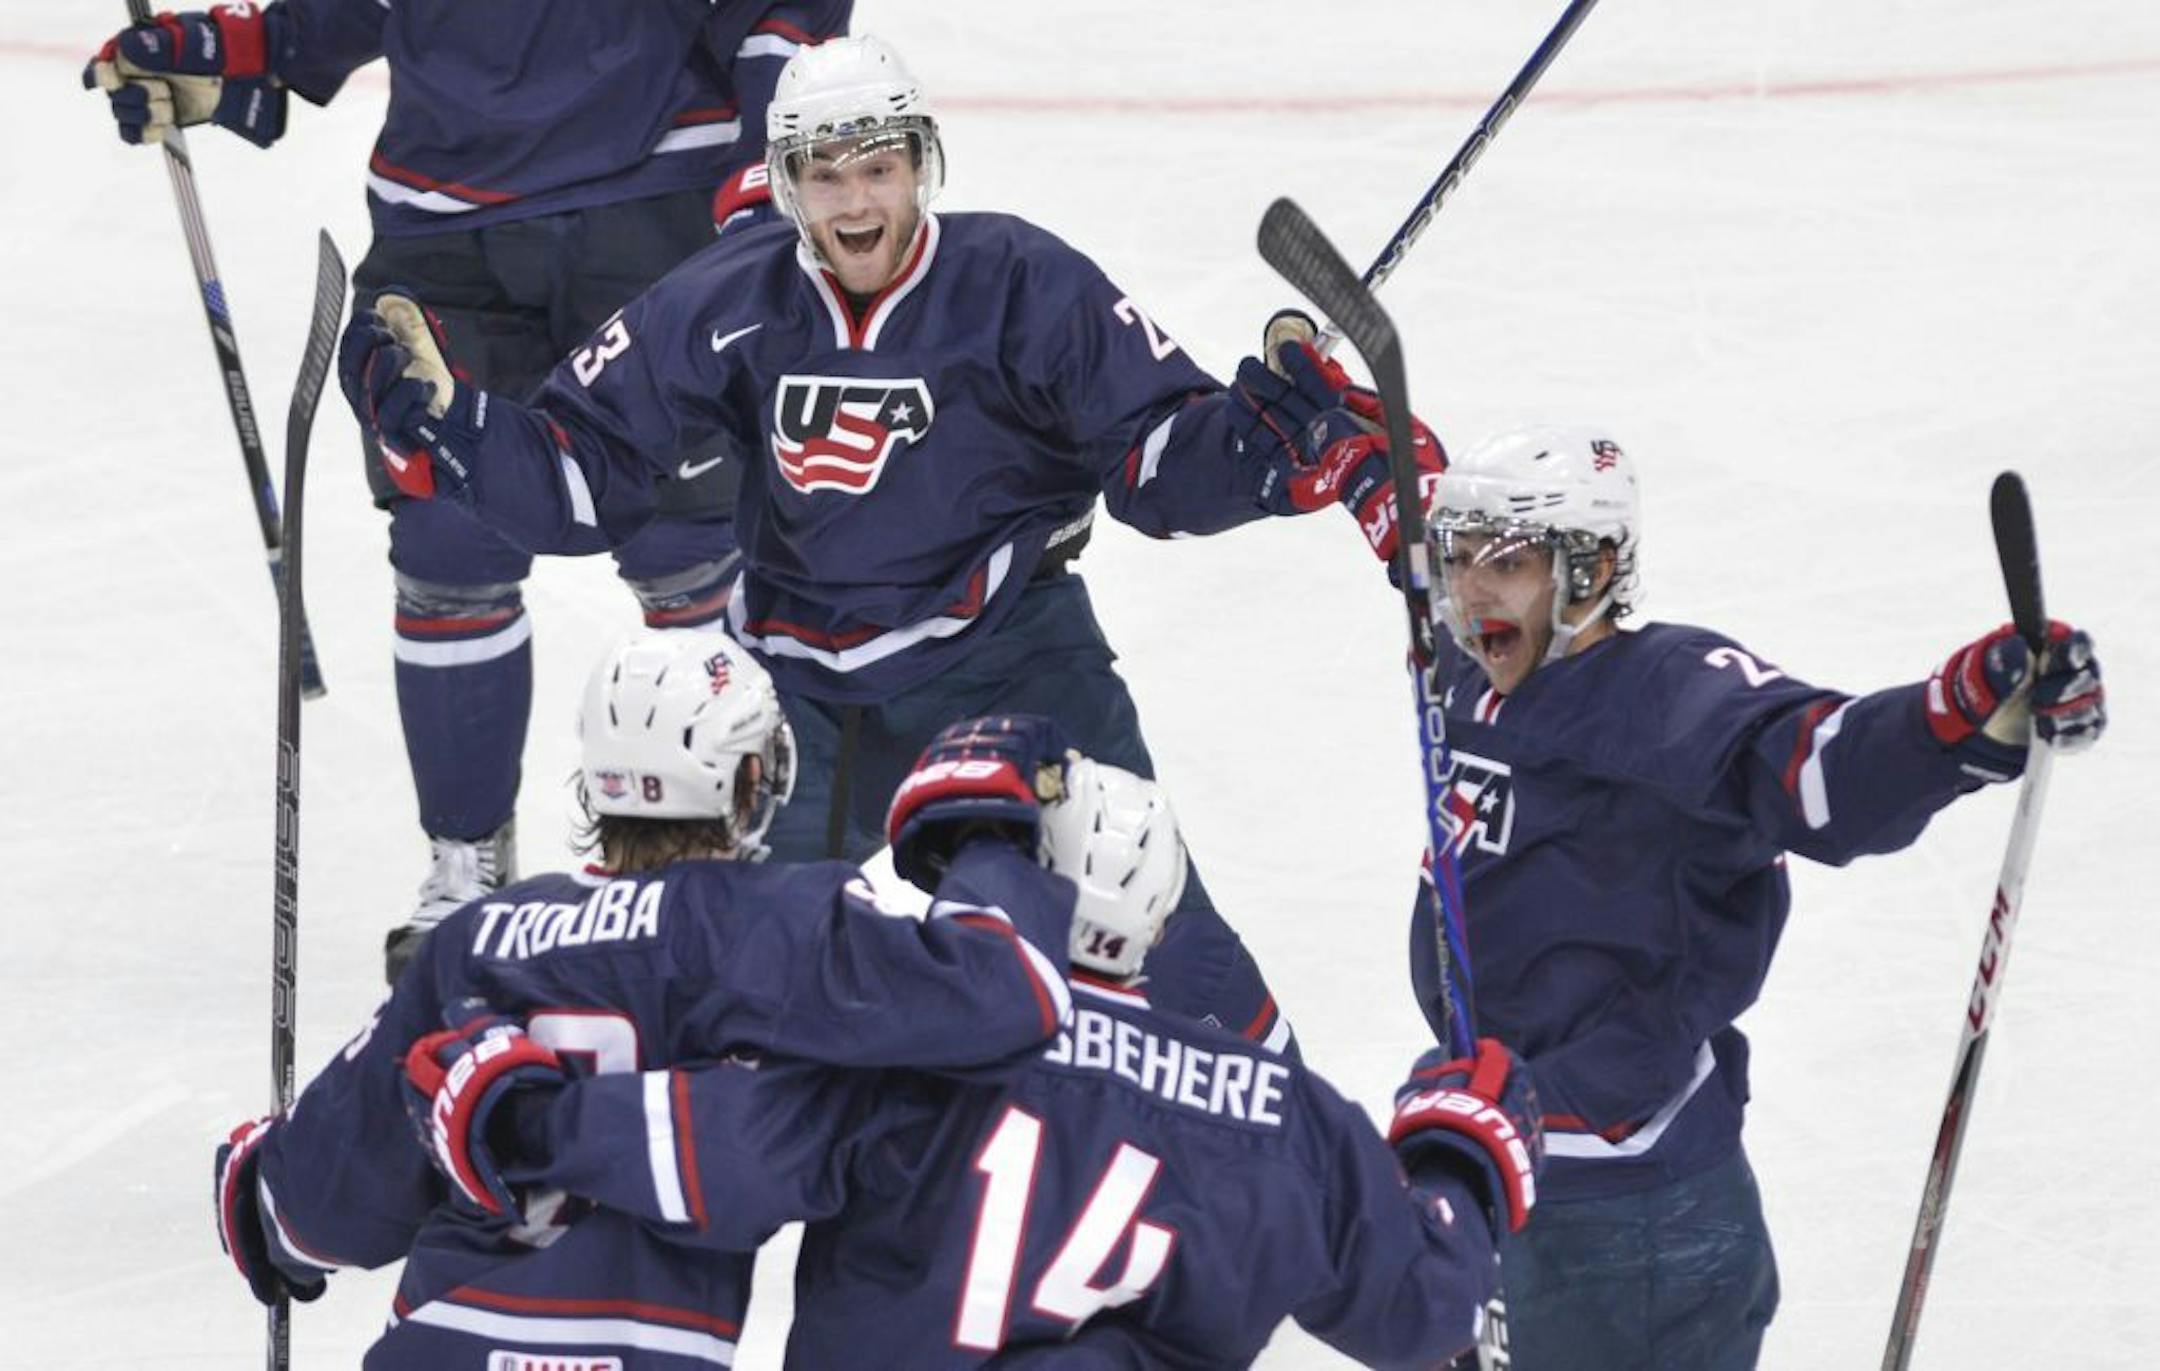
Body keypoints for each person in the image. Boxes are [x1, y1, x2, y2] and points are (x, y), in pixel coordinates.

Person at [334, 32, 1447, 1042]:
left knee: (1159, 946)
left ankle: (1304, 1188)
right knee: (698, 973)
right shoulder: (726, 296)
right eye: (825, 173)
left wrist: (1270, 448)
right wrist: (457, 432)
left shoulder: (1020, 282)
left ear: (922, 165)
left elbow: (1157, 462)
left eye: (878, 166)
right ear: (784, 184)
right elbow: (584, 475)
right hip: (803, 694)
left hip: (1011, 662)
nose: (855, 199)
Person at [85, 0, 853, 981]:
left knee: (686, 551)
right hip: (443, 227)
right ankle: (467, 865)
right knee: (450, 544)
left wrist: (771, 156)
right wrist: (248, 49)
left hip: (656, 202)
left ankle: (732, 856)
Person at [406, 756, 1546, 1369]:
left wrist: (523, 1124)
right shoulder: (1284, 1117)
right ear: (1156, 920)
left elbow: (721, 1152)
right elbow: (1422, 1311)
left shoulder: (920, 1055)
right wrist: (1462, 1166)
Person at [1399, 426, 2108, 1369]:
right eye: (1459, 560)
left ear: (1594, 567)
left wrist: (1959, 708)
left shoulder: (1670, 694)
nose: (1472, 590)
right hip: (1507, 1163)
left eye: (1509, 562)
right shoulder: (1477, 670)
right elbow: (1402, 545)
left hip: (1630, 1221)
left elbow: (1823, 766)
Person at [211, 634, 1090, 1364]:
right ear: (749, 783)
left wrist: (262, 1193)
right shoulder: (767, 922)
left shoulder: (476, 940)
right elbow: (1008, 992)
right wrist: (986, 839)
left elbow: (306, 1209)